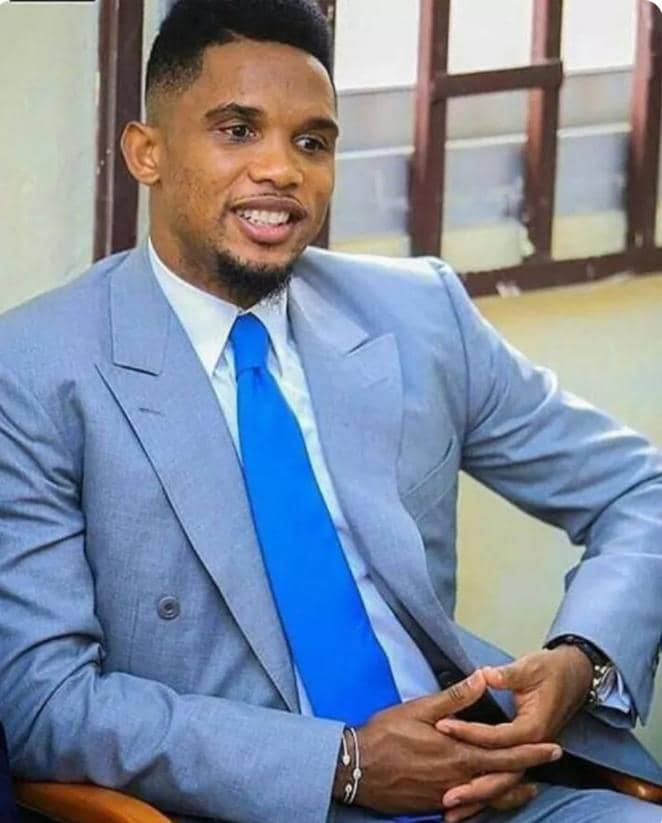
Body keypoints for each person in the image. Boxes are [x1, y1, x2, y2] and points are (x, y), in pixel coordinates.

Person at [0, 1, 661, 821]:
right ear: (148, 152)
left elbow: (640, 488)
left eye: (312, 141)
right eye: (238, 130)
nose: (281, 168)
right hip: (248, 805)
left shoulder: (418, 314)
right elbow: (46, 703)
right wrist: (343, 763)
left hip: (483, 793)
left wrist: (582, 658)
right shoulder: (36, 370)